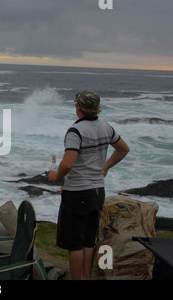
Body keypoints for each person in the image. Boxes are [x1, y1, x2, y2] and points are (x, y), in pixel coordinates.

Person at [48, 90, 130, 280]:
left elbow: (68, 163)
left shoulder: (76, 131)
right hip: (97, 192)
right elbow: (123, 149)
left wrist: (56, 175)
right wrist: (105, 167)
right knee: (88, 240)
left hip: (77, 193)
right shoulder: (106, 127)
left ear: (78, 108)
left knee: (75, 243)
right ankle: (85, 277)